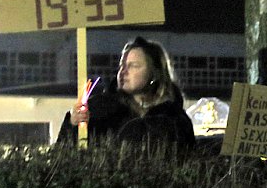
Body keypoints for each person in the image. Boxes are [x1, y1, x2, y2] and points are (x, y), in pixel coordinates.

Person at [57, 36, 195, 151]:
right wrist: (72, 125)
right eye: (122, 65)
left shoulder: (175, 119)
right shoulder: (99, 109)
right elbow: (64, 154)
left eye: (133, 66)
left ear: (155, 73)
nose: (123, 71)